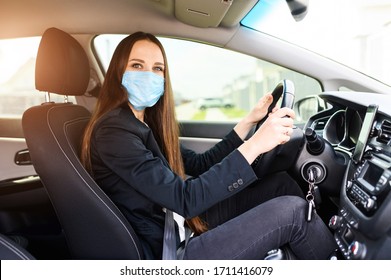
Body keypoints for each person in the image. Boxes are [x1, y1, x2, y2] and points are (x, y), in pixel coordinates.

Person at [80, 31, 337, 260]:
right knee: (294, 213)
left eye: (158, 68)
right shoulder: (114, 132)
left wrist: (249, 121)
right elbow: (185, 199)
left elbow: (199, 164)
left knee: (281, 183)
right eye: (137, 65)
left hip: (179, 222)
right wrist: (257, 144)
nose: (149, 75)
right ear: (118, 72)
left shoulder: (143, 123)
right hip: (170, 250)